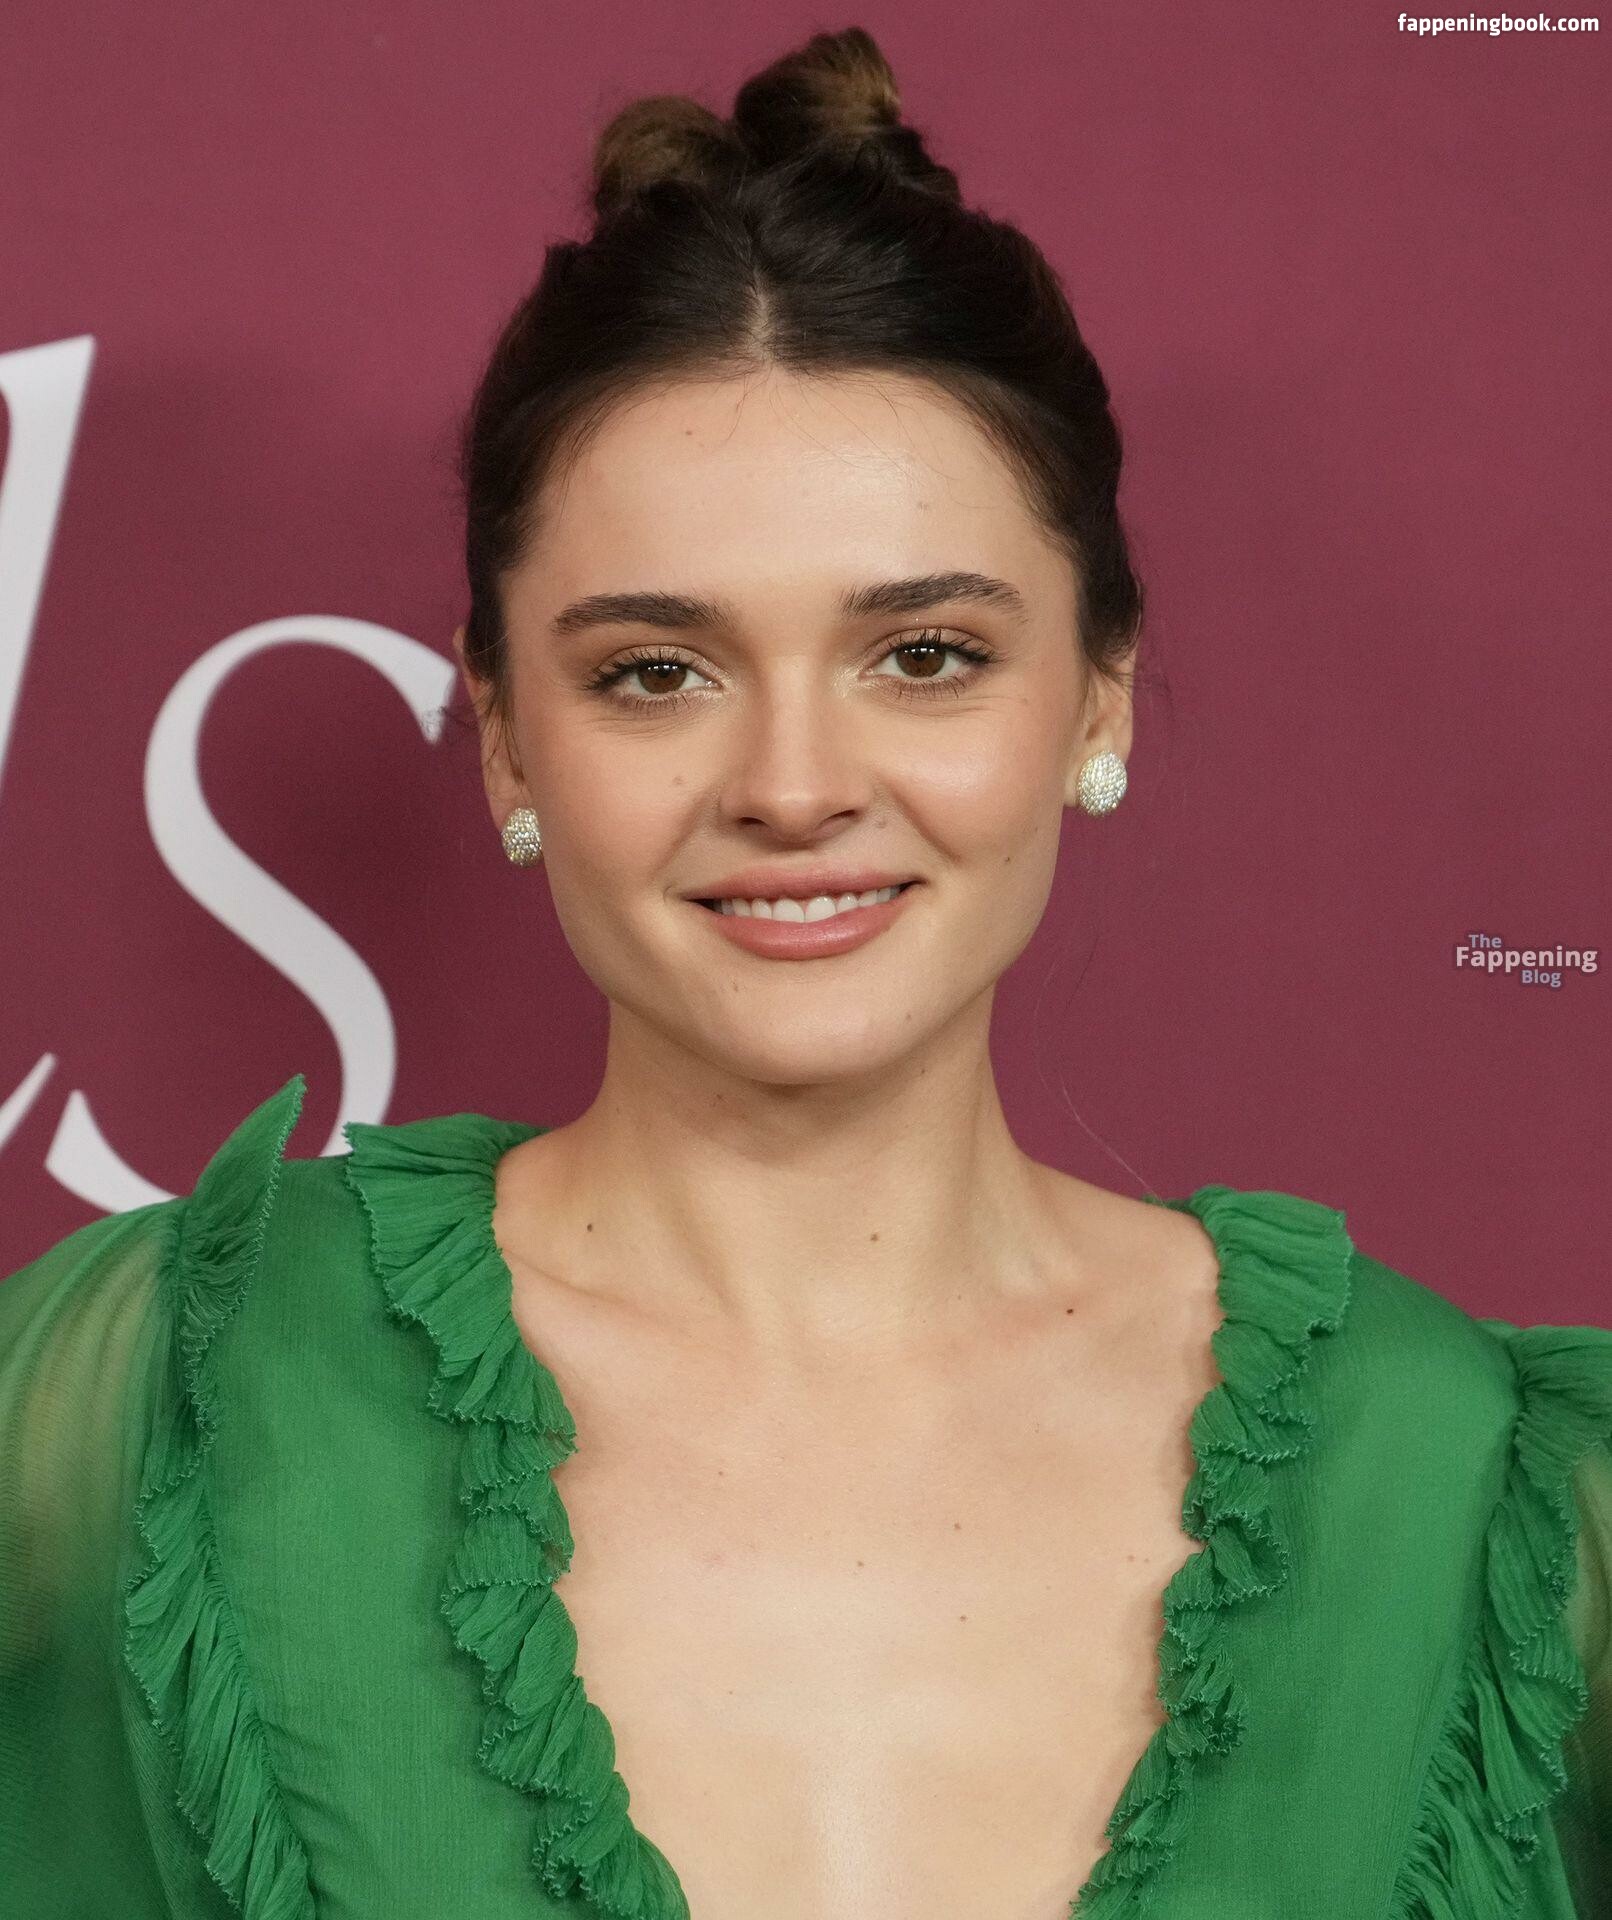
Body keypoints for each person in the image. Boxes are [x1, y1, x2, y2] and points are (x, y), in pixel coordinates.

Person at [2, 24, 1608, 1920]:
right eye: (653, 672)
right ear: (505, 732)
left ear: (1097, 692)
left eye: (924, 655)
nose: (791, 786)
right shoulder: (149, 1406)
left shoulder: (1465, 1489)